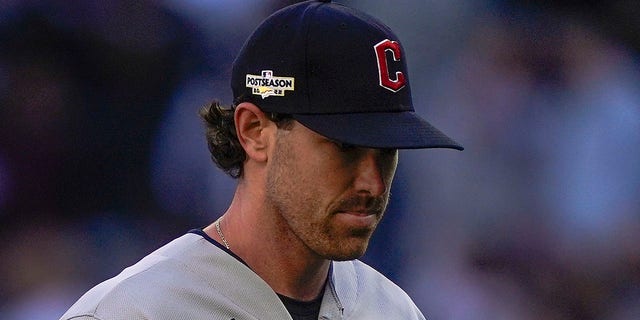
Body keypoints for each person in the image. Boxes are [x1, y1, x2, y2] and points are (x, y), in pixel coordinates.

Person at [60, 1, 463, 319]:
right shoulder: (136, 311)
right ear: (254, 130)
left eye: (387, 152)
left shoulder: (394, 312)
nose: (372, 184)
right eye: (346, 147)